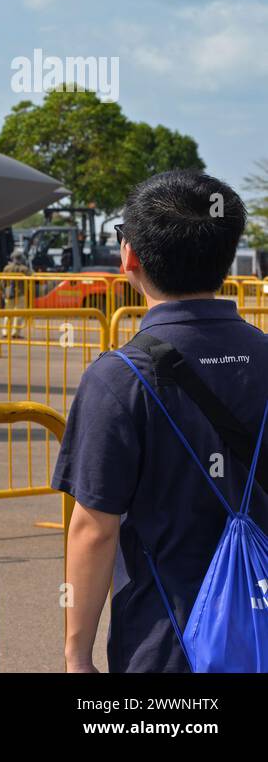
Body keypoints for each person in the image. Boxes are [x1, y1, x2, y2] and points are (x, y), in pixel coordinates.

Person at [53, 169, 268, 672]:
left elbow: (94, 530)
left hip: (168, 643)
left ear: (129, 256)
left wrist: (76, 656)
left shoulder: (119, 378)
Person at [0, 247, 32, 340]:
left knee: (8, 313)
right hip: (20, 293)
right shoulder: (24, 269)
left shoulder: (7, 268)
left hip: (8, 293)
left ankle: (5, 331)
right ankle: (15, 332)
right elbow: (33, 276)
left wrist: (3, 291)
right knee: (19, 313)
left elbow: (2, 282)